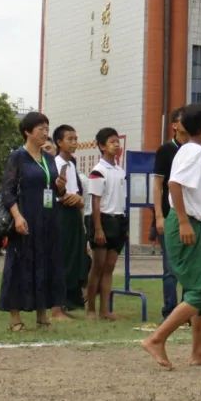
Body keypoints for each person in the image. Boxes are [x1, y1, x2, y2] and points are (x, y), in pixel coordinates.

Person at [141, 102, 201, 370]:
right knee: (200, 291)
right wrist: (184, 221)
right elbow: (174, 184)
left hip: (193, 221)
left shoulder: (194, 151)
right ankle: (156, 339)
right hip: (184, 223)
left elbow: (189, 190)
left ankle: (199, 350)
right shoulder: (194, 152)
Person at [0, 112, 66, 331]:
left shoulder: (48, 158)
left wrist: (61, 185)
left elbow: (53, 189)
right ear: (28, 131)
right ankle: (15, 317)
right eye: (40, 129)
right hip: (26, 216)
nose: (45, 133)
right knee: (20, 264)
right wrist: (17, 216)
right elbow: (7, 190)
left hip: (47, 218)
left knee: (46, 263)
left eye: (47, 129)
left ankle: (42, 313)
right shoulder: (18, 156)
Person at [85, 127, 127, 320]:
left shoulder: (120, 171)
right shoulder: (98, 170)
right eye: (111, 142)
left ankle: (105, 310)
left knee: (110, 266)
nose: (116, 145)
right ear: (102, 146)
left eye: (117, 141)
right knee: (98, 265)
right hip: (103, 219)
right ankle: (91, 308)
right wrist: (98, 228)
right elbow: (95, 200)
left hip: (118, 220)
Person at [152, 108, 187, 321]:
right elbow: (158, 185)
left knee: (189, 266)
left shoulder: (194, 149)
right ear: (174, 125)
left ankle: (187, 310)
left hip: (191, 215)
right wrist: (158, 215)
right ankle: (170, 310)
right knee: (171, 267)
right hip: (169, 214)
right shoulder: (166, 150)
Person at [52, 124, 87, 316]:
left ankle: (71, 298)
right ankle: (58, 302)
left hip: (74, 213)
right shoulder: (54, 163)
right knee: (63, 257)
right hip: (61, 213)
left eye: (75, 139)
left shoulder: (72, 164)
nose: (74, 142)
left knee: (75, 257)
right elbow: (55, 190)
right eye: (70, 139)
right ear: (59, 142)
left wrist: (78, 198)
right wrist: (65, 196)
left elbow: (77, 191)